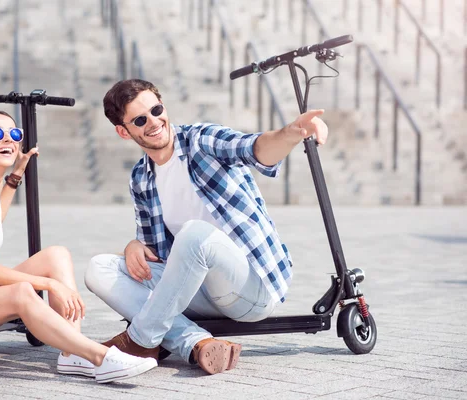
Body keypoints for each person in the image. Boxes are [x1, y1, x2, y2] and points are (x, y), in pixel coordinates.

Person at [85, 79, 328, 375]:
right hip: (198, 292)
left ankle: (140, 340)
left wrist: (291, 133)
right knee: (99, 268)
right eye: (140, 119)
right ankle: (195, 342)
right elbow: (157, 256)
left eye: (156, 110)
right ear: (124, 132)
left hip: (251, 287)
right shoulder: (141, 177)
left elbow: (253, 148)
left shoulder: (202, 140)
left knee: (194, 233)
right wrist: (134, 245)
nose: (153, 122)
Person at [0, 110, 157, 383]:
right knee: (21, 291)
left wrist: (16, 173)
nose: (7, 138)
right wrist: (51, 286)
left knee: (57, 255)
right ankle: (99, 356)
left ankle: (71, 353)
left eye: (14, 134)